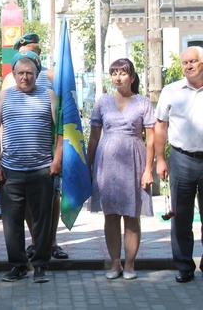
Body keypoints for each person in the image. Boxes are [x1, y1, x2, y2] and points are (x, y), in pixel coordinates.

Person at [0, 51, 62, 283]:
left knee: (42, 221)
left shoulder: (49, 95)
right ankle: (18, 265)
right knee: (12, 222)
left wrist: (57, 159)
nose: (25, 77)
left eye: (30, 73)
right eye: (21, 73)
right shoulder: (4, 97)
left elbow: (60, 131)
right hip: (10, 171)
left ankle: (40, 265)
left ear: (36, 74)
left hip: (42, 169)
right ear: (14, 74)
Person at [87, 59, 155, 280]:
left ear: (132, 77)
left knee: (132, 215)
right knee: (111, 215)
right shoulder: (103, 102)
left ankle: (130, 265)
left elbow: (151, 139)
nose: (117, 77)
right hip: (106, 163)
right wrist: (88, 166)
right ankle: (115, 264)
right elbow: (94, 137)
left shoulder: (143, 102)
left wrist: (148, 170)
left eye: (122, 73)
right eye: (114, 73)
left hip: (134, 162)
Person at [2, 33, 67, 260]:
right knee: (26, 205)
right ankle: (34, 243)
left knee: (52, 200)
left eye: (33, 51)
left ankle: (52, 241)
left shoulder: (50, 76)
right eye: (24, 52)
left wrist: (57, 155)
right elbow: (1, 121)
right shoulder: (11, 81)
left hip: (45, 155)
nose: (28, 55)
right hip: (17, 159)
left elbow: (60, 118)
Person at [155, 46, 203, 283]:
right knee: (181, 218)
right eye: (185, 63)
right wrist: (160, 159)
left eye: (193, 61)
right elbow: (160, 125)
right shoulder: (171, 91)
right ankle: (185, 266)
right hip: (182, 158)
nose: (189, 66)